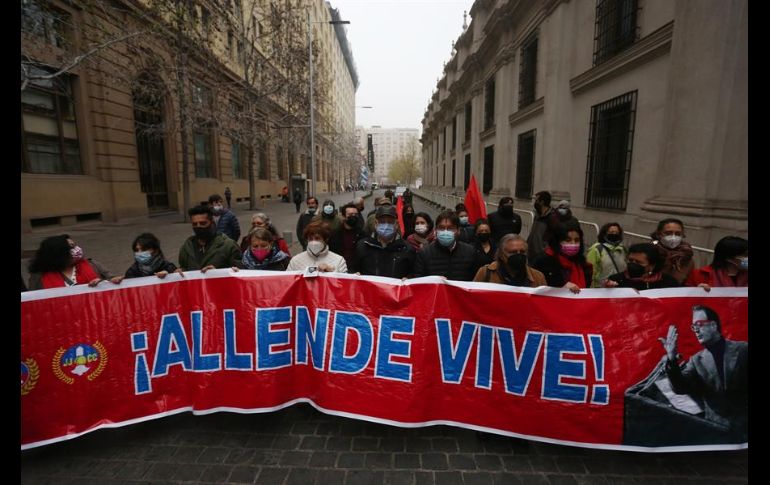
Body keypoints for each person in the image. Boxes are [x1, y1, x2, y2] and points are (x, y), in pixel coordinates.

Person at [659, 305, 747, 441]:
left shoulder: (743, 350)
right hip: (716, 432)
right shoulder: (696, 361)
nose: (696, 330)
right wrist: (671, 358)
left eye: (699, 324)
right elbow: (680, 387)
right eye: (694, 327)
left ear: (713, 325)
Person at [28, 235, 119, 289]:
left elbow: (112, 281)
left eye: (75, 245)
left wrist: (103, 283)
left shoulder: (93, 265)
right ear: (58, 253)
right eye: (71, 247)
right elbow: (34, 302)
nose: (77, 249)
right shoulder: (39, 277)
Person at [413, 210, 479, 281]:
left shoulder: (469, 252)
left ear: (458, 230)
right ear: (436, 230)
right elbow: (419, 282)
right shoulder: (425, 253)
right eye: (441, 228)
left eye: (450, 228)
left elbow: (476, 282)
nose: (445, 231)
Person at [356, 204, 415, 279]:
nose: (386, 225)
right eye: (382, 222)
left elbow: (413, 274)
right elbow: (354, 269)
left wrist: (409, 279)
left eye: (390, 222)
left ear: (396, 225)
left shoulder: (407, 249)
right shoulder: (363, 246)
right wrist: (356, 276)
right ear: (376, 224)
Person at [178, 205, 242, 272]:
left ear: (212, 223)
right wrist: (180, 271)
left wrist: (218, 273)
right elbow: (183, 267)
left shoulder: (228, 246)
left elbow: (239, 271)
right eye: (195, 224)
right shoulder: (187, 247)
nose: (198, 226)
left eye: (203, 223)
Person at [531, 224, 592, 293]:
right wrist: (560, 290)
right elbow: (534, 290)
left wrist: (605, 288)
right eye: (568, 240)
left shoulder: (583, 264)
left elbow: (588, 290)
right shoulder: (543, 261)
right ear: (557, 242)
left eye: (577, 240)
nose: (573, 243)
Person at [474, 234, 547, 287]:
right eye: (513, 252)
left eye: (522, 252)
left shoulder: (538, 277)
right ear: (501, 255)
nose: (518, 255)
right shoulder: (486, 273)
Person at [604, 243, 679, 290]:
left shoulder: (668, 283)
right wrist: (608, 290)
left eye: (638, 262)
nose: (633, 264)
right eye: (630, 260)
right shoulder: (616, 280)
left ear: (652, 266)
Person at [650, 218, 694, 285]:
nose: (673, 237)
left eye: (678, 234)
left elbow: (690, 282)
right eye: (668, 233)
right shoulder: (649, 251)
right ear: (659, 234)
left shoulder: (687, 256)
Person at [585, 222, 628, 288]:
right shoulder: (597, 249)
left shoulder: (623, 249)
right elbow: (590, 271)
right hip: (600, 289)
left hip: (618, 288)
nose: (614, 234)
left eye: (617, 232)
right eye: (611, 232)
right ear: (604, 233)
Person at [328, 203, 366, 273]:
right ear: (343, 216)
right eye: (350, 214)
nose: (354, 217)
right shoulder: (334, 235)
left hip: (357, 272)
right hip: (338, 270)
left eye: (356, 214)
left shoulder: (363, 235)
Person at [527, 191, 561, 261]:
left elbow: (556, 238)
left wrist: (545, 250)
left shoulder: (553, 217)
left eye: (536, 200)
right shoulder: (537, 215)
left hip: (543, 256)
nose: (535, 203)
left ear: (541, 202)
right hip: (532, 254)